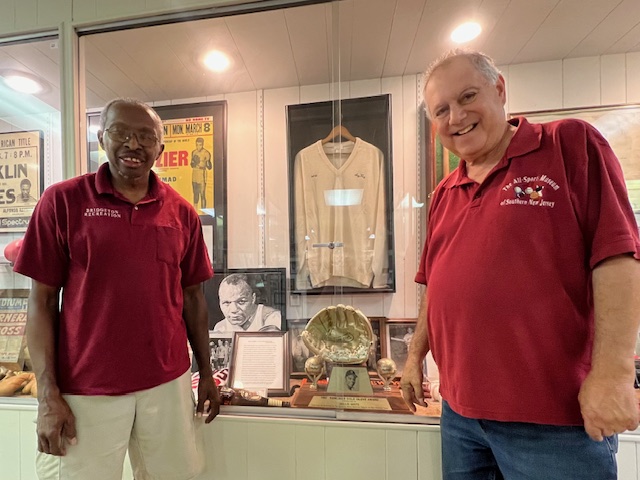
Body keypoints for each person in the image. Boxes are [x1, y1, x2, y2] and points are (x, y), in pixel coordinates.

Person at [400, 49, 640, 480]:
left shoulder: (569, 144)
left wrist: (614, 373)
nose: (456, 117)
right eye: (441, 110)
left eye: (467, 97)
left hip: (554, 422)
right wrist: (415, 354)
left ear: (499, 89)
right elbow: (435, 284)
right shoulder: (444, 193)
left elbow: (618, 256)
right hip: (460, 416)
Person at [13, 98, 220, 480]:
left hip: (167, 383)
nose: (133, 144)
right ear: (101, 138)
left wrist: (205, 372)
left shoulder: (181, 212)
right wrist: (47, 394)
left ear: (160, 147)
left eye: (145, 136)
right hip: (85, 387)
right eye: (121, 133)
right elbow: (41, 301)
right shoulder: (63, 202)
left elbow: (193, 299)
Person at [212, 273, 282, 333]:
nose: (234, 310)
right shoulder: (221, 327)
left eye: (241, 302)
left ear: (253, 298)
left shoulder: (270, 317)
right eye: (226, 302)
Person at [190, 136, 212, 209]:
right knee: (195, 193)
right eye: (197, 145)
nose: (198, 147)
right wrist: (194, 163)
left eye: (200, 145)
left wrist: (206, 163)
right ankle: (195, 211)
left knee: (202, 194)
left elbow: (209, 167)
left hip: (202, 174)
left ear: (202, 144)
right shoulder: (193, 152)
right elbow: (191, 164)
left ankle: (203, 211)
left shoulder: (206, 153)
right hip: (195, 174)